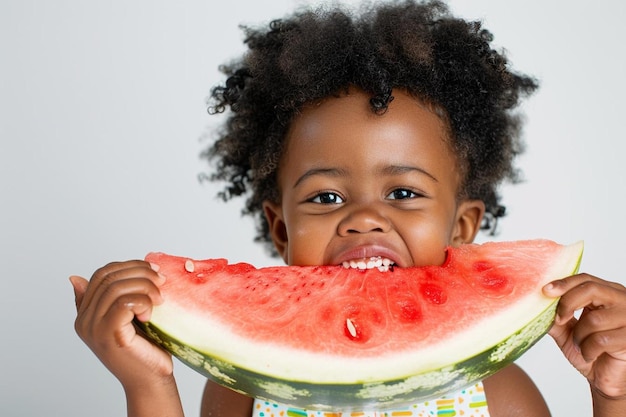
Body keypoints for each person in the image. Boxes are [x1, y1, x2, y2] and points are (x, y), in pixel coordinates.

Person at [70, 1, 626, 416]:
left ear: (464, 226)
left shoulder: (499, 394)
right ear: (280, 227)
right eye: (326, 197)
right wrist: (148, 385)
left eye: (404, 193)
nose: (363, 217)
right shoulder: (245, 389)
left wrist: (613, 393)